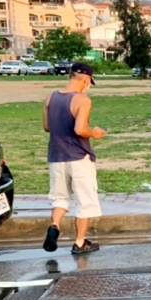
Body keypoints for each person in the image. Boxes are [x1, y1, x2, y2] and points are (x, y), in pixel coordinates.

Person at [42, 62, 106, 254]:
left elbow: (47, 127)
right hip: (78, 156)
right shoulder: (82, 100)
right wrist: (93, 132)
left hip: (56, 154)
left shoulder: (50, 97)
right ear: (86, 79)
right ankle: (79, 242)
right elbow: (79, 129)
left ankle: (55, 225)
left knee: (60, 197)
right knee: (85, 200)